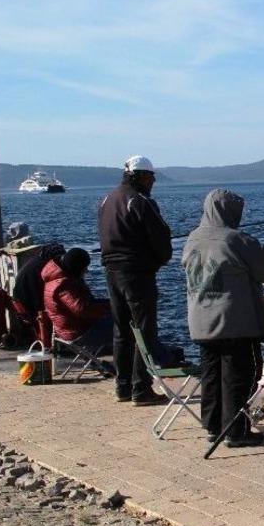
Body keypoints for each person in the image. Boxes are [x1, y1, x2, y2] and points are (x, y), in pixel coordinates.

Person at [182, 189, 264, 448]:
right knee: (240, 375)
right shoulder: (236, 239)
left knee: (211, 375)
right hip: (235, 321)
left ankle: (214, 427)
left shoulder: (192, 238)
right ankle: (237, 431)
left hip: (201, 321)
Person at [98, 156, 172, 405]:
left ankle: (122, 386)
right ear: (140, 176)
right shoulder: (141, 202)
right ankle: (141, 388)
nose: (153, 182)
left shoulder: (107, 199)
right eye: (151, 177)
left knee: (121, 331)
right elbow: (161, 238)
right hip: (137, 274)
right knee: (144, 329)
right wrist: (158, 261)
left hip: (111, 272)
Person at [42, 247, 113, 358]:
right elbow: (83, 310)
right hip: (78, 333)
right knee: (124, 325)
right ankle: (127, 363)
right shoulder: (64, 285)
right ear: (76, 268)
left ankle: (117, 356)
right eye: (84, 268)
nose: (86, 271)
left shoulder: (56, 280)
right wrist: (111, 308)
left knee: (118, 321)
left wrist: (109, 304)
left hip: (69, 329)